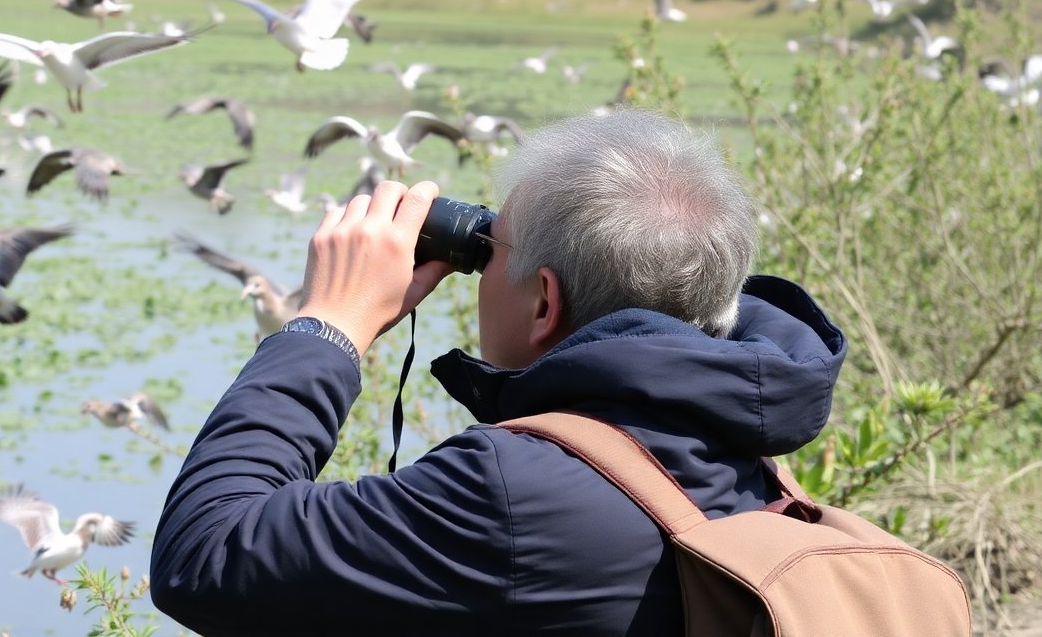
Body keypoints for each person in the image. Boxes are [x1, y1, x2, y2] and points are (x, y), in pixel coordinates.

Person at [150, 109, 847, 635]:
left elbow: (205, 552)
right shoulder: (749, 464)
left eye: (490, 249)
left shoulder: (510, 493)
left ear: (545, 301)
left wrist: (326, 323)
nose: (478, 270)